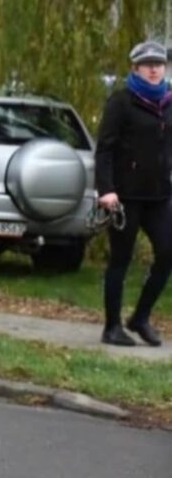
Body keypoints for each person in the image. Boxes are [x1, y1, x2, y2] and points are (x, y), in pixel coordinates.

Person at [93, 40, 172, 347]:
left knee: (168, 253)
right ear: (136, 68)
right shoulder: (122, 102)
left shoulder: (167, 102)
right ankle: (111, 327)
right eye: (147, 64)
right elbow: (105, 150)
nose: (154, 69)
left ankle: (140, 317)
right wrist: (107, 190)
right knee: (120, 260)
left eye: (159, 64)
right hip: (124, 197)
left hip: (159, 195)